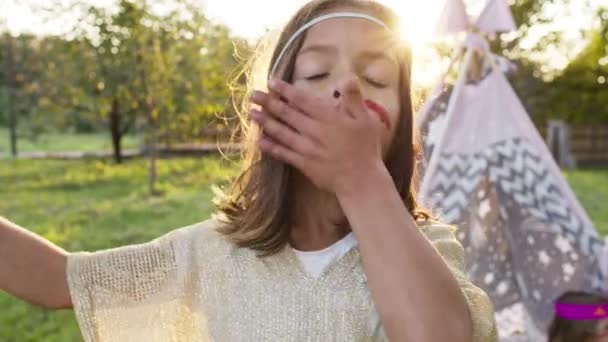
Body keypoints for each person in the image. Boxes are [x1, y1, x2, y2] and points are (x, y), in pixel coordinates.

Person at [0, 0, 498, 340]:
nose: (346, 85)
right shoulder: (211, 253)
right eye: (317, 73)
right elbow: (56, 279)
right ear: (272, 106)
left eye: (375, 77)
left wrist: (359, 179)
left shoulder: (428, 250)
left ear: (403, 125)